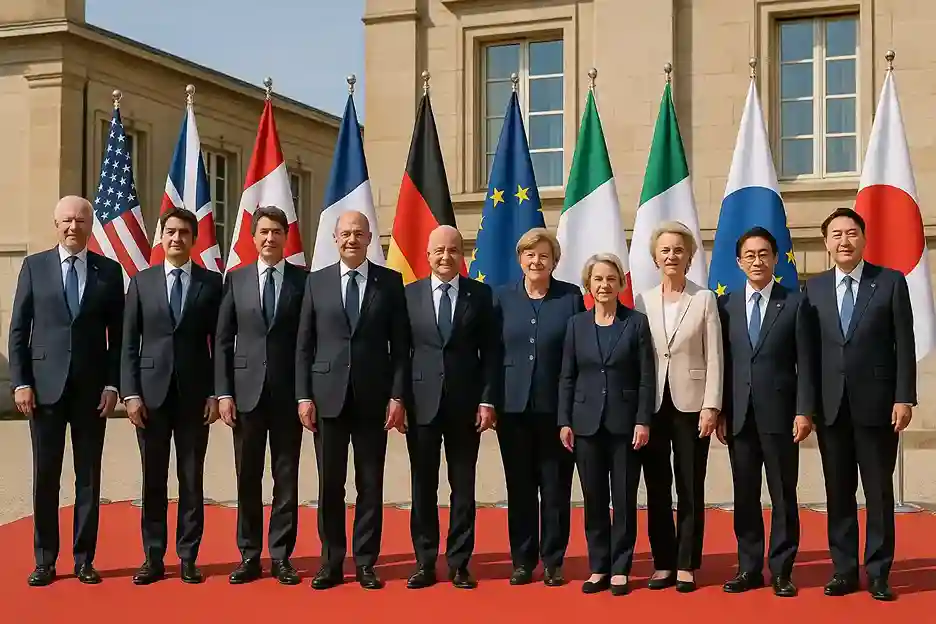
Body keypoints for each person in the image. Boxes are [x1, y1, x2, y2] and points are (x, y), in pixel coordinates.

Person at [8, 196, 124, 586]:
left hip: (92, 393)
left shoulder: (109, 272)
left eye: (80, 220)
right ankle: (44, 558)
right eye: (66, 221)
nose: (73, 227)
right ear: (56, 224)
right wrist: (21, 382)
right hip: (44, 390)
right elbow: (19, 330)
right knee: (46, 476)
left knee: (88, 477)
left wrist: (113, 385)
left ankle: (83, 559)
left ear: (90, 225)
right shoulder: (34, 267)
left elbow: (119, 337)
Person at [803, 207, 916, 601]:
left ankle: (880, 572)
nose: (844, 241)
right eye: (836, 235)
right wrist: (807, 406)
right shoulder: (813, 289)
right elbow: (808, 353)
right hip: (831, 408)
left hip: (879, 406)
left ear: (863, 239)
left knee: (879, 493)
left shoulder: (889, 282)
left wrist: (904, 396)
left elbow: (905, 343)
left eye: (851, 233)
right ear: (826, 243)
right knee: (838, 493)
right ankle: (844, 570)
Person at [295, 210, 410, 590]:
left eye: (358, 234)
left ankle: (365, 561)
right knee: (330, 485)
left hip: (373, 400)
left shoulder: (390, 283)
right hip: (326, 399)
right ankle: (330, 561)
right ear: (334, 238)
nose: (351, 240)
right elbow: (304, 346)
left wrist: (397, 395)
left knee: (370, 484)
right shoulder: (317, 283)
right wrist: (303, 397)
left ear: (368, 238)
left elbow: (401, 347)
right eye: (345, 234)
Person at [121, 207, 223, 585]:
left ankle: (188, 556)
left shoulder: (212, 285)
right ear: (160, 237)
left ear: (194, 240)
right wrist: (130, 394)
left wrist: (216, 393)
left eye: (184, 233)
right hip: (150, 397)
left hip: (195, 398)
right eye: (170, 232)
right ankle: (152, 556)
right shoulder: (141, 282)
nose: (176, 238)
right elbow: (129, 343)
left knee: (191, 478)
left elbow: (221, 344)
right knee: (153, 480)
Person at [717, 226, 815, 598]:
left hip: (781, 415)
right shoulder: (725, 305)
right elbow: (723, 363)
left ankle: (782, 569)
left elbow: (805, 362)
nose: (757, 261)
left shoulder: (795, 302)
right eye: (750, 255)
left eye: (764, 254)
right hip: (740, 416)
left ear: (775, 259)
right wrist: (722, 410)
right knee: (745, 496)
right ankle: (748, 567)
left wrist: (804, 410)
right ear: (740, 262)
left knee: (782, 495)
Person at [403, 225, 500, 590]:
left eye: (454, 250)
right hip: (421, 404)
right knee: (423, 487)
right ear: (427, 255)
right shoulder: (408, 295)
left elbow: (491, 353)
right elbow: (401, 353)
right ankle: (425, 561)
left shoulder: (480, 295)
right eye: (439, 251)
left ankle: (460, 562)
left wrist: (487, 400)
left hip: (465, 405)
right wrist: (398, 399)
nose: (446, 257)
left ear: (464, 255)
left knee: (463, 487)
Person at [215, 206, 307, 585]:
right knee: (247, 477)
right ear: (253, 238)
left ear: (287, 238)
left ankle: (282, 556)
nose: (270, 238)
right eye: (264, 232)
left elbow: (309, 343)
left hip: (288, 396)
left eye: (277, 232)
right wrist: (223, 393)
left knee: (286, 478)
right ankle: (249, 555)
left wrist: (306, 395)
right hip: (246, 395)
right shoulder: (235, 281)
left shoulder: (304, 282)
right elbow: (222, 341)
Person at [558, 253, 655, 595]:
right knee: (594, 498)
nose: (604, 285)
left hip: (625, 424)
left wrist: (643, 420)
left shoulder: (636, 323)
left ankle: (620, 567)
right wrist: (564, 420)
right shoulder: (576, 325)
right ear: (589, 285)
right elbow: (567, 376)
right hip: (585, 424)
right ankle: (598, 566)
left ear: (621, 284)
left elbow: (646, 377)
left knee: (624, 499)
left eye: (610, 279)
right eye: (598, 279)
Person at [634, 221, 722, 593]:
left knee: (689, 486)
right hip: (652, 406)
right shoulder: (642, 300)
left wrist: (712, 405)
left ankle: (686, 562)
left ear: (689, 257)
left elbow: (715, 356)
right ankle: (663, 563)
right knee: (656, 487)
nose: (672, 255)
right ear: (656, 257)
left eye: (679, 250)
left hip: (691, 405)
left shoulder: (703, 299)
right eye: (665, 250)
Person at [493, 228, 583, 587]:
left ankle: (554, 560)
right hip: (512, 409)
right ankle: (522, 559)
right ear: (520, 260)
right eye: (530, 255)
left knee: (556, 487)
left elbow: (577, 353)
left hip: (557, 410)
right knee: (520, 487)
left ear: (554, 261)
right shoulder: (502, 298)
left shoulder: (570, 297)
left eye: (544, 256)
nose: (536, 261)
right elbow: (493, 352)